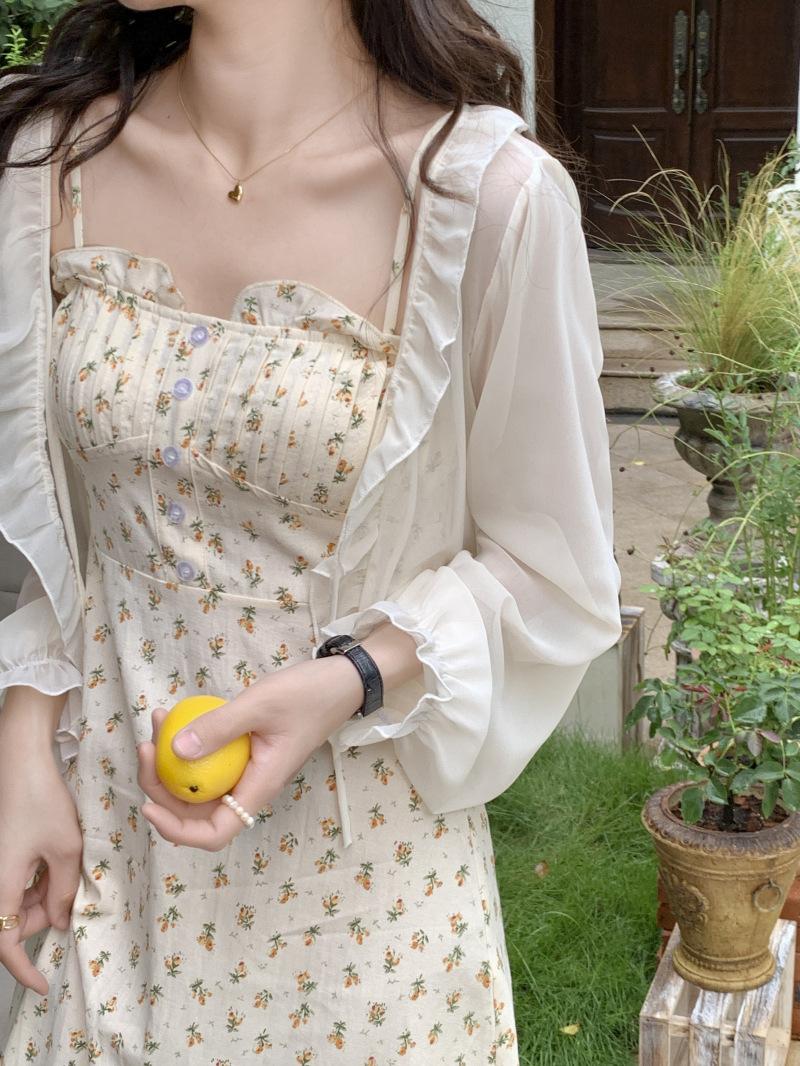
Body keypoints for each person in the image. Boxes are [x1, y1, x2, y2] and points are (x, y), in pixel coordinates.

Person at [0, 0, 623, 1061]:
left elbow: (551, 569)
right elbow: (54, 524)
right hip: (105, 842)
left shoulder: (484, 199)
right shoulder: (47, 166)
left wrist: (353, 675)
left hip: (359, 892)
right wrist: (23, 746)